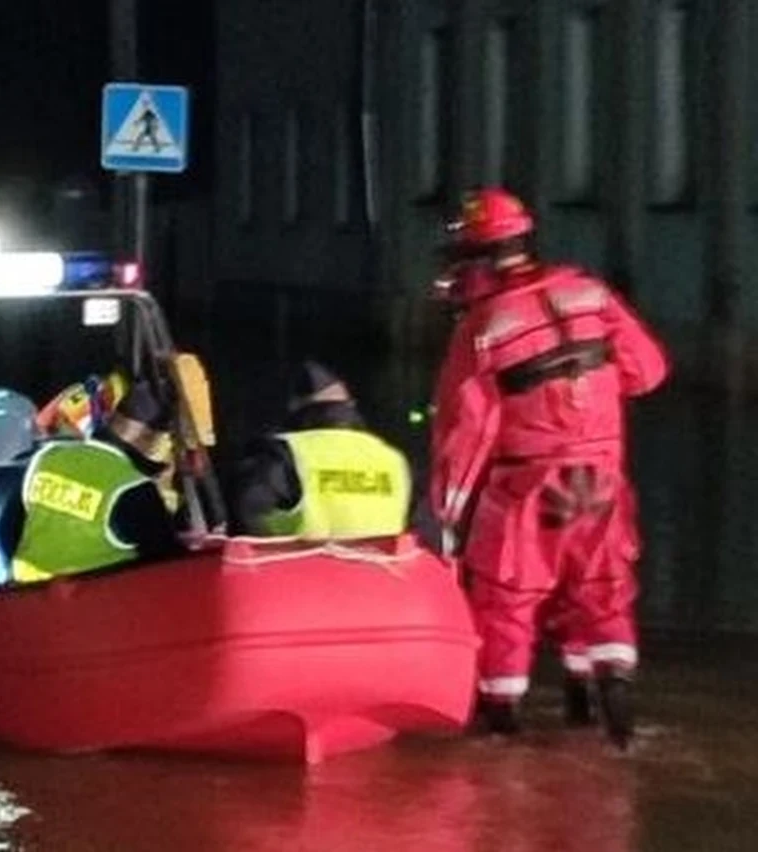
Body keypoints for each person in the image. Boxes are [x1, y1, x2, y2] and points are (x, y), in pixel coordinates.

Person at [429, 187, 669, 747]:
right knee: (601, 588)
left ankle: (502, 723)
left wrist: (448, 515)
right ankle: (608, 705)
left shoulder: (482, 328)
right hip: (600, 480)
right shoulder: (591, 294)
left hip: (525, 487)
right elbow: (649, 370)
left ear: (478, 258)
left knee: (505, 601)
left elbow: (469, 431)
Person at [7, 381, 182, 583]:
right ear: (148, 454)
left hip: (25, 597)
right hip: (93, 606)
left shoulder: (47, 457)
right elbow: (168, 566)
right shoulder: (132, 488)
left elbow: (6, 532)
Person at [230, 360, 412, 540]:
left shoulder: (285, 452)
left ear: (296, 409)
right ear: (350, 405)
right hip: (381, 567)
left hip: (299, 566)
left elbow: (247, 520)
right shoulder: (391, 457)